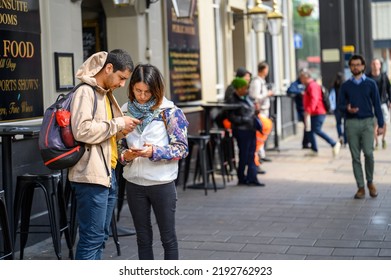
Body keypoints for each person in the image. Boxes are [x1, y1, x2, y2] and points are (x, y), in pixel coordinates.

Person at [69, 49, 140, 260]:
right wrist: (118, 123)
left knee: (100, 238)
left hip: (107, 174)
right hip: (90, 176)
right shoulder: (85, 92)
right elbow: (81, 130)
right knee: (91, 239)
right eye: (121, 78)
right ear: (108, 68)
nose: (121, 84)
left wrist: (120, 131)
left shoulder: (104, 94)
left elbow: (101, 133)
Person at [118, 64, 189, 260]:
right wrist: (126, 156)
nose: (142, 96)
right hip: (134, 183)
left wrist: (153, 151)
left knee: (168, 238)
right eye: (138, 90)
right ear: (131, 88)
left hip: (162, 183)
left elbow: (182, 148)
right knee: (142, 238)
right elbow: (119, 147)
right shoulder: (124, 111)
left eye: (147, 92)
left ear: (156, 89)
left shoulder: (170, 112)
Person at [338, 54, 384, 199]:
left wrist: (381, 124)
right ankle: (360, 187)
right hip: (351, 123)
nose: (356, 67)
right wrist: (347, 109)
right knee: (355, 157)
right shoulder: (345, 86)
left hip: (367, 122)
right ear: (350, 67)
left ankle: (370, 182)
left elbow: (377, 104)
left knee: (369, 154)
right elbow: (339, 106)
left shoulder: (370, 84)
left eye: (358, 64)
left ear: (363, 66)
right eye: (353, 65)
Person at [226, 77, 265, 187]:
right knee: (244, 155)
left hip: (251, 129)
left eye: (246, 88)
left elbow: (250, 110)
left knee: (251, 154)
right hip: (241, 130)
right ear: (237, 89)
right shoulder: (232, 100)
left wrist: (256, 111)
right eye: (243, 88)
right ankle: (242, 178)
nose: (246, 90)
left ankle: (252, 177)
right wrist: (246, 119)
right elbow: (231, 117)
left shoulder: (247, 98)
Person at [300, 69, 341, 157]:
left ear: (306, 77)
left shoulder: (312, 86)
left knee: (316, 130)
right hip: (313, 112)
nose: (301, 80)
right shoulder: (309, 86)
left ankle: (333, 143)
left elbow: (314, 99)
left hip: (318, 112)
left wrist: (308, 110)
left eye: (302, 78)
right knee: (309, 130)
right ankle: (314, 149)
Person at [249, 61, 274, 163]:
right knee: (260, 133)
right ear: (263, 70)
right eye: (267, 69)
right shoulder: (256, 82)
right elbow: (255, 97)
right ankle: (258, 155)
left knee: (263, 133)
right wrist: (267, 94)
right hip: (260, 111)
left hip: (264, 110)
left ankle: (261, 154)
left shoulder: (262, 81)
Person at [367, 58, 391, 150]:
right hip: (372, 104)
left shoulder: (384, 76)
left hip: (383, 102)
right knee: (374, 123)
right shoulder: (368, 77)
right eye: (373, 64)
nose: (375, 66)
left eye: (376, 64)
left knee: (384, 122)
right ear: (371, 66)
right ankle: (376, 142)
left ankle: (383, 139)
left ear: (380, 66)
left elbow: (389, 89)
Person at [287, 71, 311, 149]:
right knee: (307, 125)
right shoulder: (296, 84)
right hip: (301, 108)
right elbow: (290, 90)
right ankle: (306, 143)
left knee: (308, 125)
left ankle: (307, 142)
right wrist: (299, 92)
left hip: (308, 107)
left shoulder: (308, 83)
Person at [330, 72, 347, 145]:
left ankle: (340, 136)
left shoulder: (334, 85)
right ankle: (345, 139)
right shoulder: (346, 85)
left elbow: (331, 97)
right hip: (345, 107)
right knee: (346, 124)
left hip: (337, 107)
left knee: (338, 123)